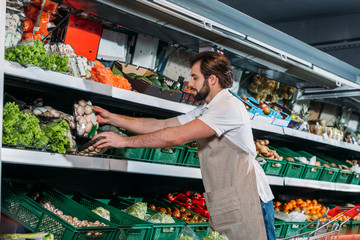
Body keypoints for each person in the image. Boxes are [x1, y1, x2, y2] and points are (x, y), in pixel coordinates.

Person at [93, 51, 276, 239]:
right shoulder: (207, 109)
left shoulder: (228, 106)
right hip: (230, 200)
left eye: (195, 77)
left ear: (212, 79)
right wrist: (114, 118)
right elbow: (162, 125)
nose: (190, 83)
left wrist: (123, 141)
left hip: (249, 199)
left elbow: (175, 136)